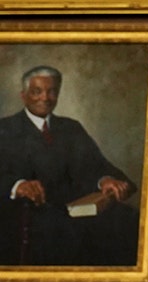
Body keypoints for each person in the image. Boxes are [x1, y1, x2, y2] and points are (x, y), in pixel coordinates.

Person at [0, 65, 139, 266]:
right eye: (37, 92)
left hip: (75, 208)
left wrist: (105, 180)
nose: (45, 98)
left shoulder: (71, 128)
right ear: (24, 96)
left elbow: (94, 165)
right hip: (29, 215)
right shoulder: (5, 129)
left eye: (52, 91)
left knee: (129, 220)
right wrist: (18, 185)